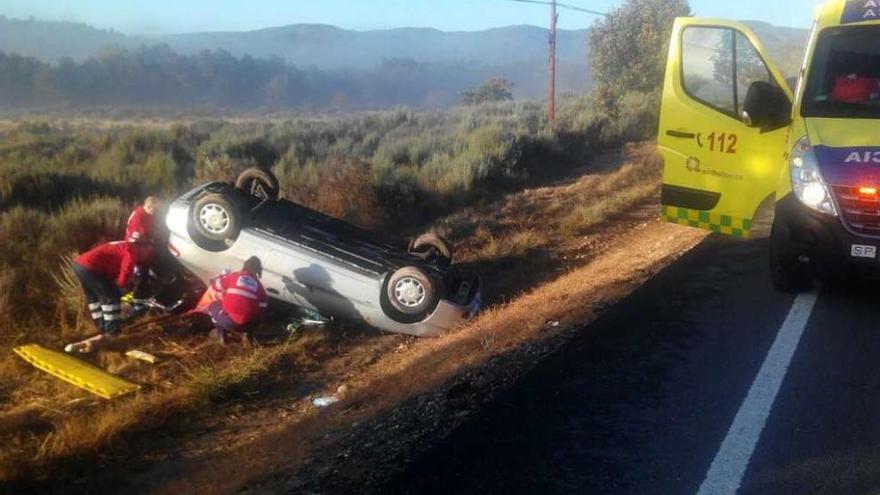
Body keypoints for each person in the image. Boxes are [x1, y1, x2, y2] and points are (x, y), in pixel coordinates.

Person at [65, 241, 153, 353]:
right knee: (111, 297)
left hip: (80, 265)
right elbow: (127, 268)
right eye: (148, 253)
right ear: (143, 247)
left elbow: (111, 267)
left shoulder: (123, 245)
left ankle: (101, 326)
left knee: (94, 298)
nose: (146, 258)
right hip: (91, 267)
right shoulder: (133, 250)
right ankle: (112, 332)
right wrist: (121, 285)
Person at [197, 256, 268, 344]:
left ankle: (221, 337)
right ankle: (247, 335)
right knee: (256, 317)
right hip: (249, 325)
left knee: (212, 306)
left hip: (230, 322)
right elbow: (263, 307)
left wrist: (222, 277)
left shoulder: (234, 276)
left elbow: (216, 285)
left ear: (245, 266)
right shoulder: (259, 285)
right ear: (257, 271)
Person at [125, 196, 161, 316]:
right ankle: (137, 309)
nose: (156, 212)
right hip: (138, 254)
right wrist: (151, 240)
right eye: (155, 210)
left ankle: (142, 303)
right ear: (149, 206)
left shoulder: (146, 215)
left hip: (144, 253)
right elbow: (136, 238)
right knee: (140, 280)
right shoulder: (139, 217)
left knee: (145, 279)